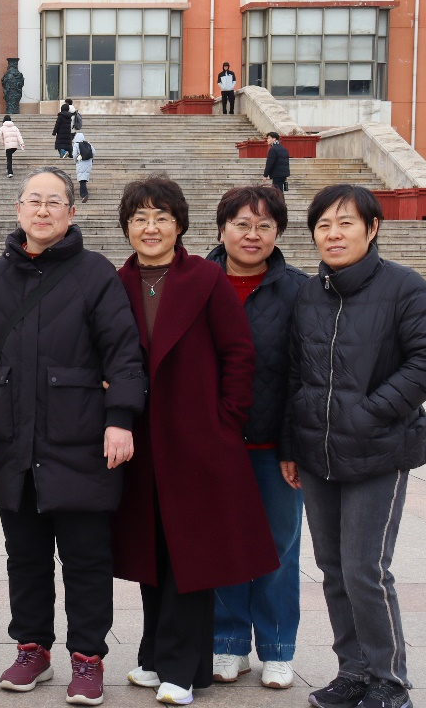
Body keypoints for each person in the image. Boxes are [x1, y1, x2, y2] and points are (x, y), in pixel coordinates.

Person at [0, 167, 145, 706]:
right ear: (19, 210)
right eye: (34, 200)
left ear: (71, 213)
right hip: (15, 444)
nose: (43, 210)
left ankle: (87, 658)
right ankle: (33, 649)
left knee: (86, 559)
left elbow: (124, 352)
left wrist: (121, 418)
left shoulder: (95, 274)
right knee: (24, 557)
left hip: (81, 443)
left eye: (54, 202)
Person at [112, 176, 278, 706]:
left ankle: (181, 671)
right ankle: (158, 655)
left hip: (198, 442)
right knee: (153, 552)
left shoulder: (206, 278)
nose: (151, 227)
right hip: (141, 444)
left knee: (193, 556)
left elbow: (239, 355)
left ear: (180, 225)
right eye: (140, 218)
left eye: (161, 217)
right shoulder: (117, 282)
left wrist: (224, 421)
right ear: (127, 228)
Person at [283, 185, 426, 708]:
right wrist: (292, 443)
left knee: (365, 569)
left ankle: (389, 682)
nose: (333, 234)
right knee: (333, 570)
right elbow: (294, 374)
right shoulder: (309, 294)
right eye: (323, 225)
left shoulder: (404, 286)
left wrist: (371, 412)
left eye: (346, 223)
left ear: (372, 228)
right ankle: (353, 672)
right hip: (318, 454)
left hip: (379, 451)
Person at [204, 186, 308, 691]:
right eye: (242, 224)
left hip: (274, 448)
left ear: (278, 233)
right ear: (222, 228)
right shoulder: (196, 282)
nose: (252, 235)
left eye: (264, 226)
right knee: (220, 543)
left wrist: (292, 445)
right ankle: (226, 643)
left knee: (278, 548)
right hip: (214, 443)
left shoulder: (299, 290)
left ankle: (278, 648)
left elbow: (305, 374)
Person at [71, 126, 94, 203]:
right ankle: (83, 193)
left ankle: (84, 194)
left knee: (82, 179)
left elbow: (74, 154)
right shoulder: (88, 143)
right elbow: (94, 152)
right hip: (88, 163)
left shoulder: (76, 144)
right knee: (83, 178)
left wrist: (76, 160)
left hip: (81, 162)